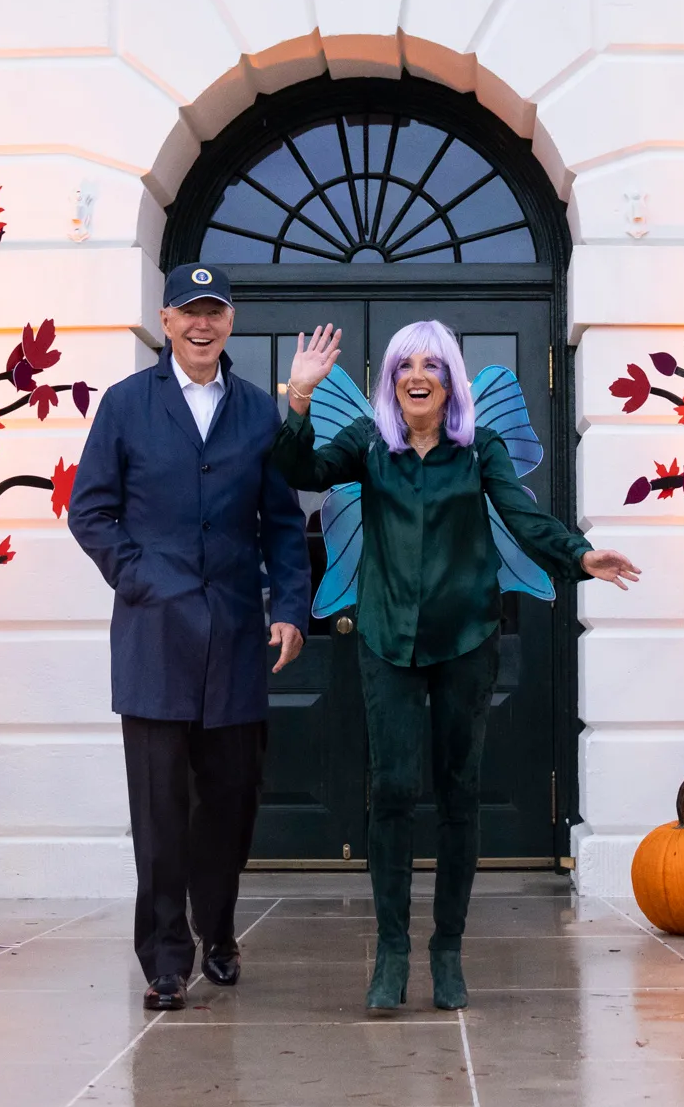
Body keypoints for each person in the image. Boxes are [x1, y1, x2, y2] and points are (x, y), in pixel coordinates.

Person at [271, 319, 641, 1013]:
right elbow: (300, 472)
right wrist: (298, 396)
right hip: (387, 643)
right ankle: (390, 953)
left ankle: (447, 948)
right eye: (406, 364)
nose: (418, 376)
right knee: (392, 795)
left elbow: (523, 519)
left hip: (466, 642)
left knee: (458, 796)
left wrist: (579, 555)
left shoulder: (479, 451)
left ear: (450, 382)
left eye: (433, 366)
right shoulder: (367, 446)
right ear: (391, 381)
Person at [67, 263, 310, 1011]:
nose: (202, 325)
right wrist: (139, 578)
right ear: (165, 321)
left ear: (229, 323)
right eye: (188, 312)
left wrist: (292, 607)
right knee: (161, 810)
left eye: (216, 312)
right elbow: (90, 511)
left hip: (237, 639)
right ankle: (166, 957)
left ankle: (220, 931)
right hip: (154, 640)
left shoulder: (257, 414)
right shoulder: (125, 406)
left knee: (230, 805)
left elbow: (283, 524)